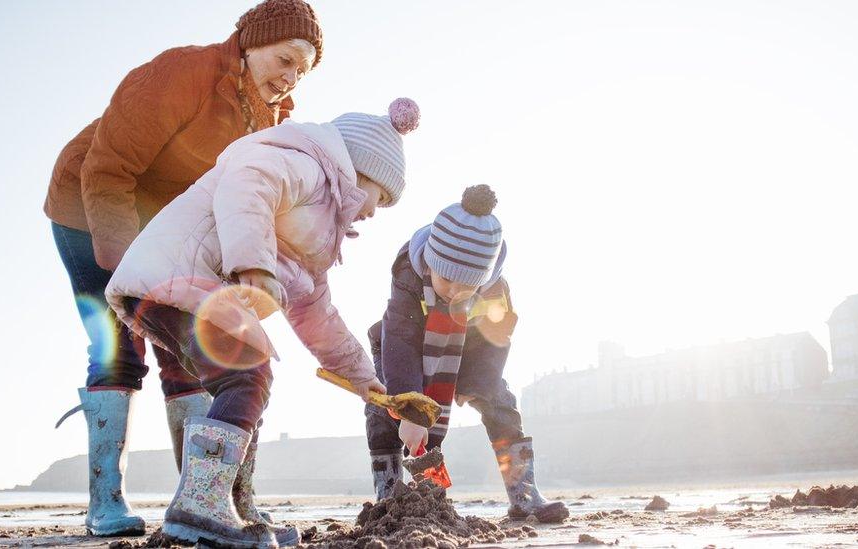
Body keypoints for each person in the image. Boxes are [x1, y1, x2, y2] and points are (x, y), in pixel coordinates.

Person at [45, 0, 324, 537]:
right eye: (285, 59)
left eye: (302, 70)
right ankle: (106, 501)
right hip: (91, 205)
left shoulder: (270, 118)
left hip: (170, 226)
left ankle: (203, 499)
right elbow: (107, 169)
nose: (290, 78)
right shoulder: (182, 73)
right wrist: (127, 272)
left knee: (196, 349)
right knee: (119, 342)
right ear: (251, 41)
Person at [105, 99, 421, 547]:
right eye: (380, 197)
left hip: (185, 289)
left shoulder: (316, 236)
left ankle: (230, 505)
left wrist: (367, 383)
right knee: (247, 374)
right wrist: (254, 265)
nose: (374, 211)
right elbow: (247, 184)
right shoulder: (307, 167)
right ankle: (200, 504)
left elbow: (318, 317)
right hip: (176, 276)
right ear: (361, 171)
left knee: (250, 383)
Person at [364, 185, 570, 523]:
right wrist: (412, 410)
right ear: (430, 263)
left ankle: (524, 494)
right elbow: (400, 339)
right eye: (447, 281)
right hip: (401, 353)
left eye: (468, 286)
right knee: (384, 411)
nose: (456, 292)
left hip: (468, 353)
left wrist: (478, 383)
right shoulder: (408, 278)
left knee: (500, 403)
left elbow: (497, 338)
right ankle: (391, 495)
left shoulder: (494, 291)